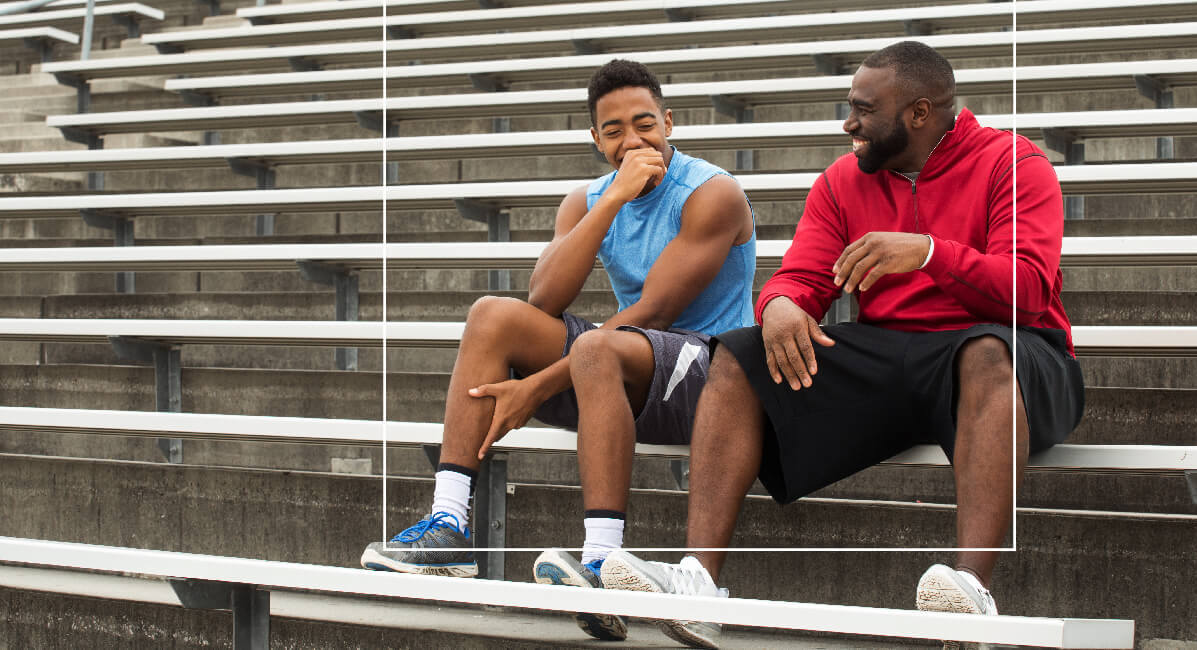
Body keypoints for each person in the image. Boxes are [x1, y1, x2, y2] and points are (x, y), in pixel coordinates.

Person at [599, 41, 1084, 650]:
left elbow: (1029, 289)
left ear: (918, 113)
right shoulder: (843, 179)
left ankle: (971, 594)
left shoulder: (1013, 163)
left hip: (1016, 350)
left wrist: (930, 252)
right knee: (739, 354)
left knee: (985, 351)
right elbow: (800, 278)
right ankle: (698, 584)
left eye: (863, 110)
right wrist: (777, 308)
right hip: (893, 352)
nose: (849, 123)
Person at [359, 59, 757, 642]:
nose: (633, 139)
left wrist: (539, 385)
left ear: (670, 122)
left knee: (598, 346)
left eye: (645, 124)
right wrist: (612, 200)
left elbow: (655, 314)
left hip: (713, 373)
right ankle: (448, 523)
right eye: (614, 130)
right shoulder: (590, 199)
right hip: (626, 362)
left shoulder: (712, 192)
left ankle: (601, 561)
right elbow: (544, 296)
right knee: (492, 317)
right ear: (596, 140)